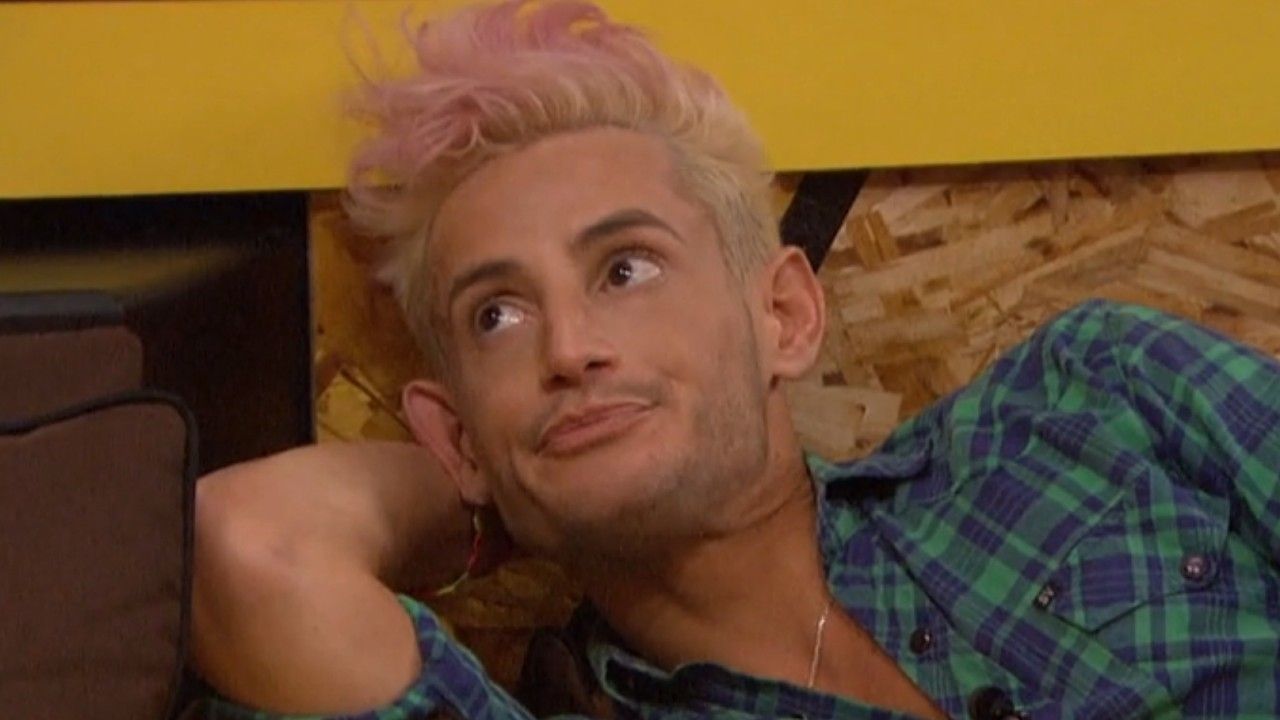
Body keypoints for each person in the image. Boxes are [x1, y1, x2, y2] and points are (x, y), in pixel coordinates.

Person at [193, 1, 1280, 718]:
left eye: (624, 269)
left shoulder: (1095, 399)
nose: (569, 347)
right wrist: (498, 482)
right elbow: (251, 548)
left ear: (784, 316)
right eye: (498, 318)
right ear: (455, 437)